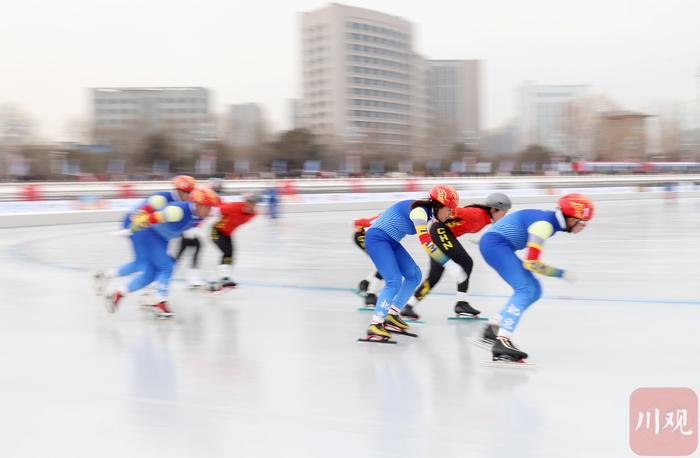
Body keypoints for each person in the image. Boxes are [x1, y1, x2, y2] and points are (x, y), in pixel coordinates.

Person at [476, 193, 594, 363]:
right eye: (582, 222)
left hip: (496, 243)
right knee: (526, 289)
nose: (584, 226)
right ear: (571, 219)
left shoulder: (551, 222)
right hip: (496, 245)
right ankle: (502, 341)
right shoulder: (544, 225)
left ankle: (494, 327)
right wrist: (561, 274)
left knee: (535, 290)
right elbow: (532, 263)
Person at [360, 185, 460, 343]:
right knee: (393, 282)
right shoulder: (420, 211)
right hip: (377, 239)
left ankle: (392, 315)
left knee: (414, 275)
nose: (450, 214)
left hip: (390, 241)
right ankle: (375, 324)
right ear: (439, 205)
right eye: (449, 209)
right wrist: (448, 263)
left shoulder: (428, 212)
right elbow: (426, 242)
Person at [104, 187, 220, 318]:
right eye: (207, 207)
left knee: (149, 274)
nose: (209, 211)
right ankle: (159, 301)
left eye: (211, 208)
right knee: (167, 266)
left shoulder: (200, 214)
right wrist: (131, 230)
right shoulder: (177, 211)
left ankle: (118, 293)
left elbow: (222, 209)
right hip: (149, 235)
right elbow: (149, 218)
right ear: (197, 204)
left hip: (162, 240)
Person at [401, 192, 512, 321]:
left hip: (442, 234)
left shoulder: (486, 219)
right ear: (494, 210)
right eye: (503, 213)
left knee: (434, 276)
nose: (505, 216)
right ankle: (461, 303)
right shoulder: (476, 214)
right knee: (467, 262)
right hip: (440, 231)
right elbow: (452, 211)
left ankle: (409, 306)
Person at [94, 175, 196, 296]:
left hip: (154, 232)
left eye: (190, 192)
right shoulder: (163, 198)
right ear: (178, 190)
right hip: (138, 225)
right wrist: (132, 228)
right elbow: (142, 213)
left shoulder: (181, 203)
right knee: (142, 263)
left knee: (146, 264)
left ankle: (106, 276)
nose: (189, 196)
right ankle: (112, 279)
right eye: (186, 192)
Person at [174, 178, 223, 287]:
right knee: (186, 249)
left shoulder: (214, 200)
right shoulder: (201, 195)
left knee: (185, 250)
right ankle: (190, 276)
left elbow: (215, 213)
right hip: (188, 228)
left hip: (192, 229)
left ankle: (189, 275)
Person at [208, 192, 259, 291]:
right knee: (226, 252)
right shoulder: (233, 207)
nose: (250, 206)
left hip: (227, 234)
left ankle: (225, 277)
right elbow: (216, 210)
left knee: (231, 254)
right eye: (248, 203)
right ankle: (223, 278)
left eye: (253, 204)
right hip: (216, 231)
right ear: (245, 203)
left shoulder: (253, 214)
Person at [352, 214, 383, 308]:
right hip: (367, 242)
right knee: (384, 267)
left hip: (371, 239)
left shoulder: (373, 222)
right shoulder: (361, 234)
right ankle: (371, 294)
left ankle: (365, 284)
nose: (355, 228)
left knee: (383, 266)